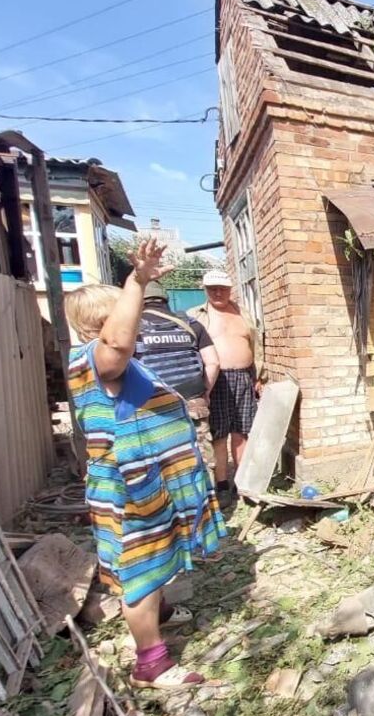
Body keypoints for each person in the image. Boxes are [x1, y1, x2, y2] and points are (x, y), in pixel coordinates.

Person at [63, 238, 227, 690]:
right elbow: (118, 340)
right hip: (131, 487)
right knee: (139, 569)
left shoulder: (119, 364)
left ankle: (160, 614)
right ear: (103, 321)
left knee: (157, 557)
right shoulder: (98, 359)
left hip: (149, 484)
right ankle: (150, 663)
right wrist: (136, 279)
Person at [189, 269, 259, 509]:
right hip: (215, 382)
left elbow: (256, 344)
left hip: (244, 379)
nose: (218, 292)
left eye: (222, 288)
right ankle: (221, 486)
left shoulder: (243, 313)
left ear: (231, 288)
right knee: (218, 436)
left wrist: (259, 376)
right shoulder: (195, 317)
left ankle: (242, 483)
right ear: (205, 289)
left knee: (242, 433)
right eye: (212, 288)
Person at [136, 281, 220, 464]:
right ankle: (207, 491)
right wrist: (205, 392)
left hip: (151, 404)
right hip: (193, 398)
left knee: (160, 458)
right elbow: (212, 363)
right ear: (165, 299)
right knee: (201, 456)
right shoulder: (191, 324)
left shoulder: (132, 328)